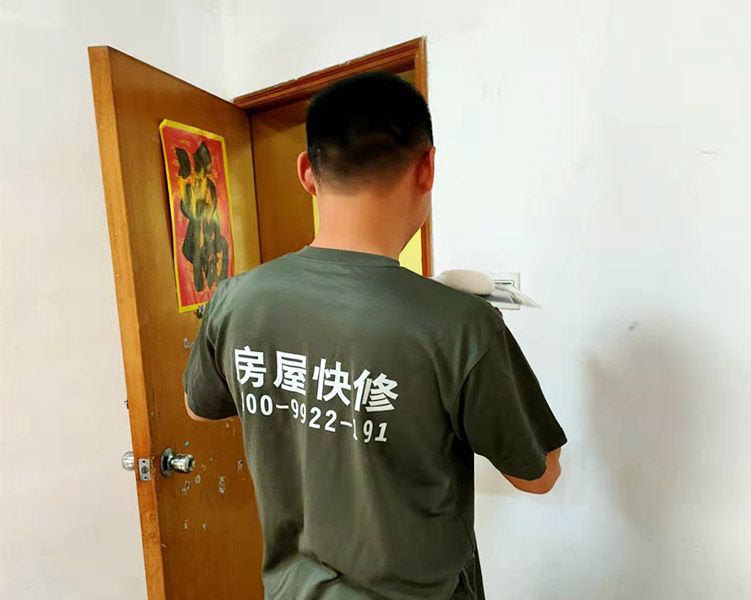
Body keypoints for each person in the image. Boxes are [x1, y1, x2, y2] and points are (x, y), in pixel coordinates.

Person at [183, 72, 567, 600]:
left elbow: (199, 407)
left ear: (307, 172)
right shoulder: (460, 324)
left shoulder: (234, 298)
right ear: (427, 167)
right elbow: (539, 475)